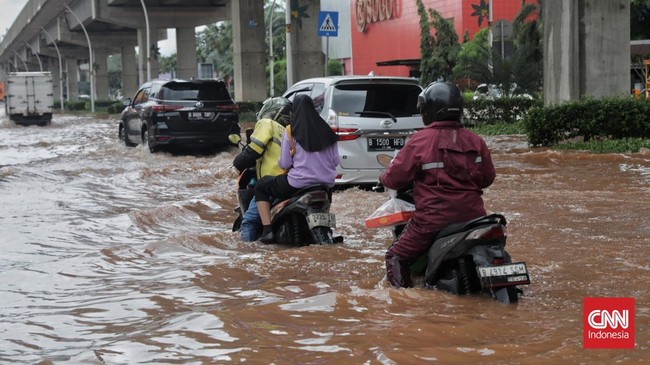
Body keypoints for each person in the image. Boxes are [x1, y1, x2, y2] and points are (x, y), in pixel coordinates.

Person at [379, 81, 496, 288]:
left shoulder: (419, 141)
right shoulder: (476, 141)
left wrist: (383, 178)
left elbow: (394, 178)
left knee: (396, 256)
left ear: (428, 110)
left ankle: (404, 303)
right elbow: (487, 178)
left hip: (432, 221)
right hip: (476, 218)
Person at [254, 94, 339, 243]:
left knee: (261, 186)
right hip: (325, 185)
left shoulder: (290, 132)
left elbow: (284, 164)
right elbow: (335, 161)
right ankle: (327, 229)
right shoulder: (328, 132)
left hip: (297, 183)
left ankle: (267, 230)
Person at [233, 97, 292, 241]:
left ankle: (247, 255)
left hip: (272, 183)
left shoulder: (267, 123)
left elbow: (253, 151)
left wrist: (237, 163)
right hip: (292, 181)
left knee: (249, 222)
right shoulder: (288, 131)